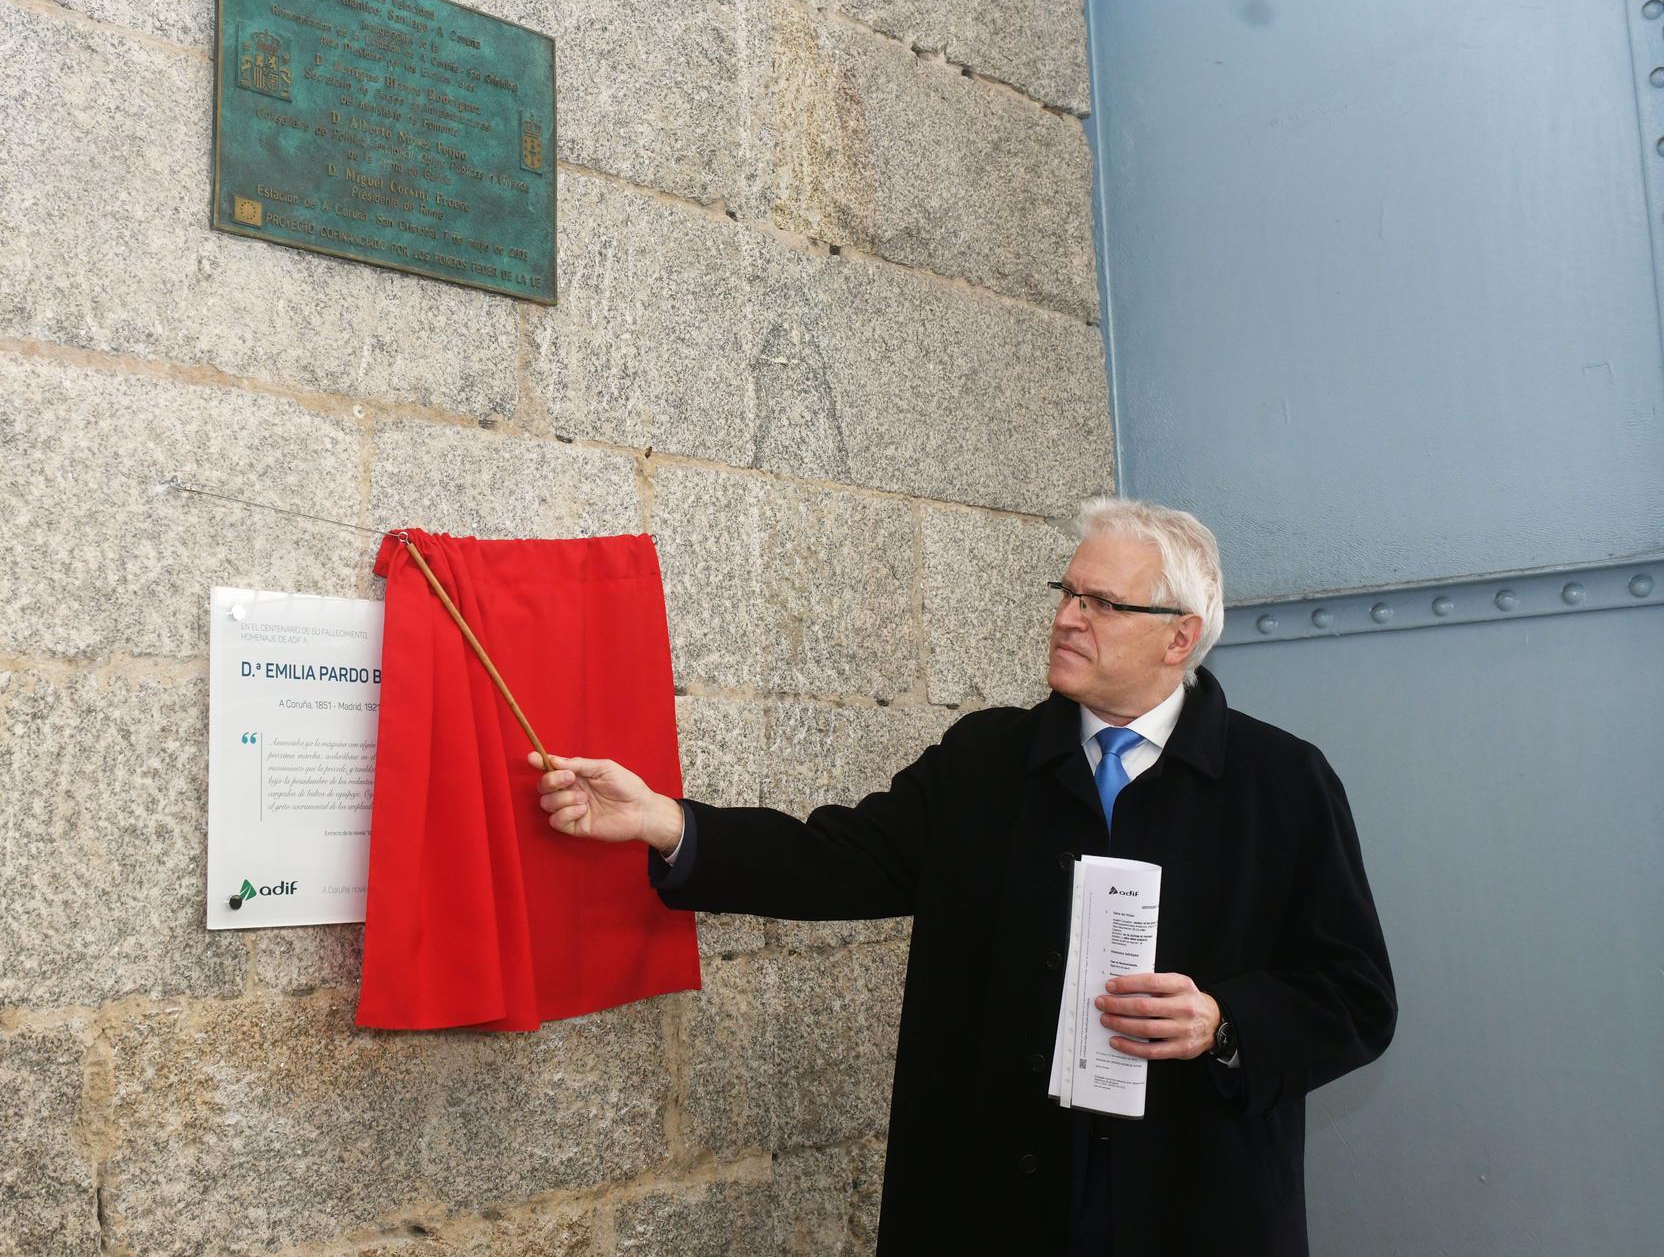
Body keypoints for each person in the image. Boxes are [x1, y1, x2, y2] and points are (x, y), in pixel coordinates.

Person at [529, 498, 1395, 1256]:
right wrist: (664, 821)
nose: (1067, 617)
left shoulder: (1283, 782)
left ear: (1180, 636)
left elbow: (1355, 996)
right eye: (1066, 592)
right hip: (995, 1201)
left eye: (1102, 602)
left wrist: (1224, 1021)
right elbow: (837, 860)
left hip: (1192, 1199)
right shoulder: (986, 760)